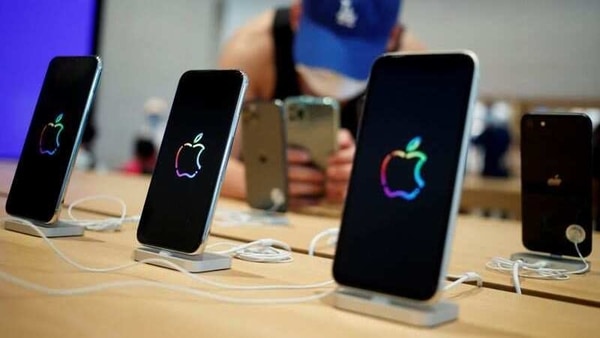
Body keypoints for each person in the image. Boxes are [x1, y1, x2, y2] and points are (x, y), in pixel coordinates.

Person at [219, 0, 426, 206]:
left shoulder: (412, 66)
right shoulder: (254, 49)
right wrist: (262, 182)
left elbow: (436, 177)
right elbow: (210, 162)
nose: (334, 71)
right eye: (321, 49)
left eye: (355, 57)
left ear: (393, 36)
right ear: (297, 16)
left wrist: (373, 175)